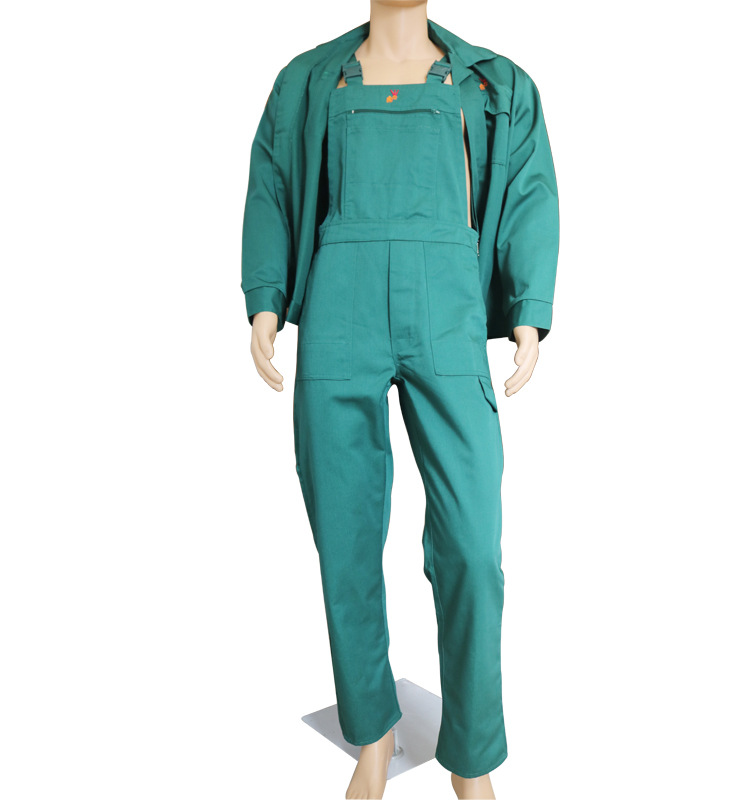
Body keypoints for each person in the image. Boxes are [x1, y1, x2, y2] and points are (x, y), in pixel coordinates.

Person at [241, 4, 559, 798]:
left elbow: (529, 191)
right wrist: (266, 299)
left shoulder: (495, 84)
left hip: (448, 313)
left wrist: (527, 310)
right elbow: (272, 182)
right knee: (345, 539)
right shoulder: (307, 80)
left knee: (472, 548)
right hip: (338, 309)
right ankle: (374, 733)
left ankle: (471, 756)